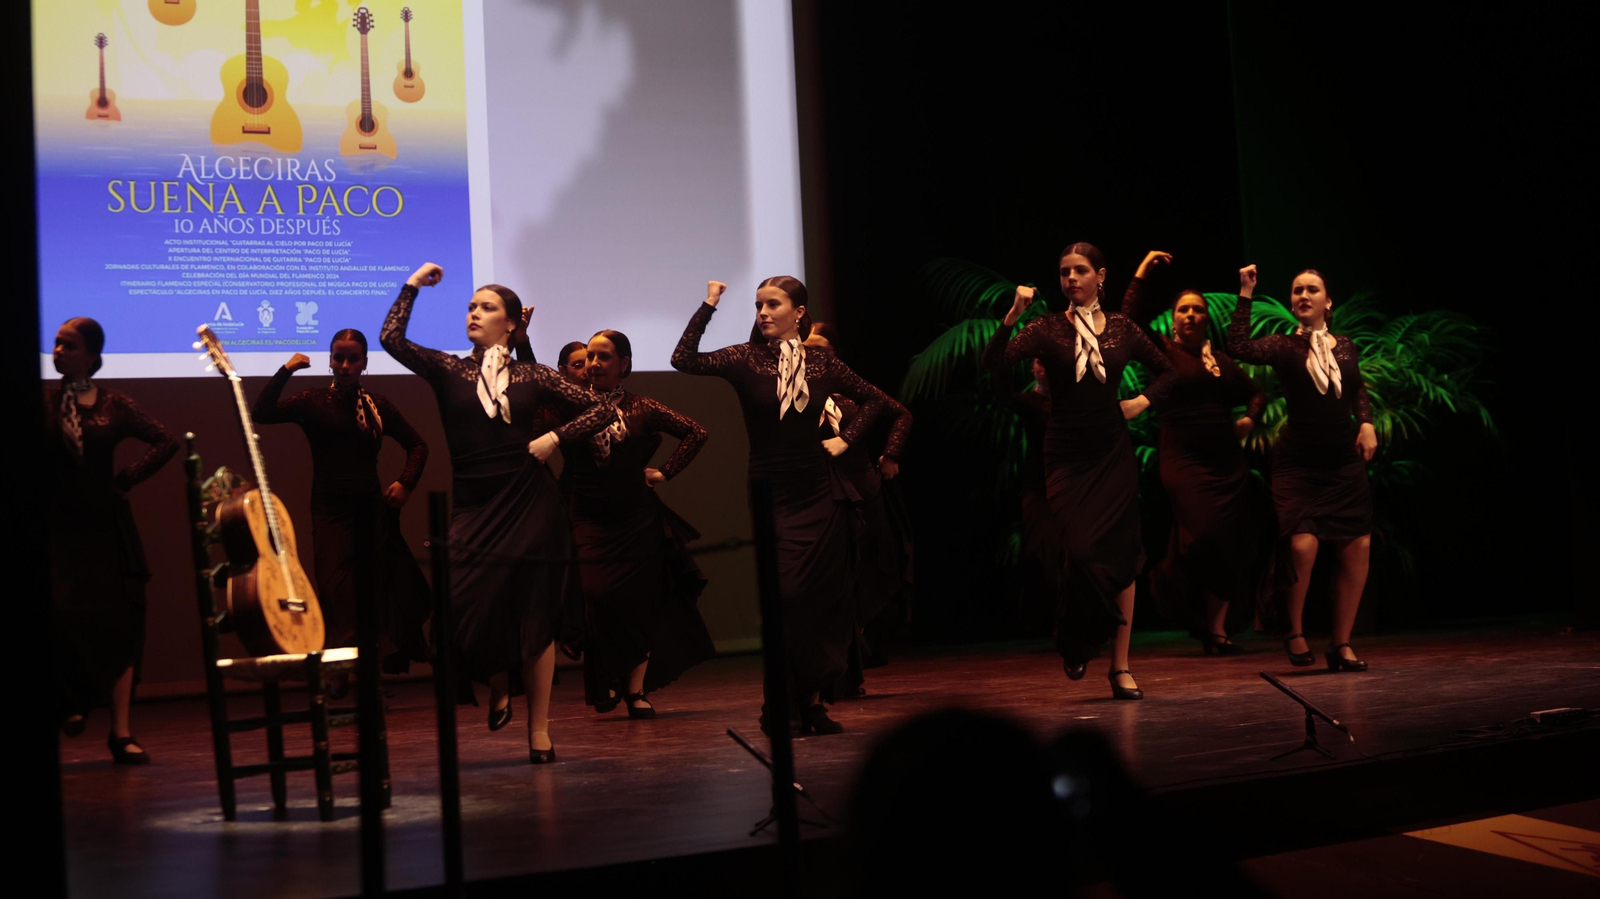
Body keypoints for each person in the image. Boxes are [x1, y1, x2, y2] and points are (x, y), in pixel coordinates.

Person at [380, 262, 610, 763]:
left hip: (530, 499)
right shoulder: (448, 369)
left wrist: (555, 437)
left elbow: (602, 410)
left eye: (486, 307)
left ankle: (540, 730)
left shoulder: (534, 374)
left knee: (536, 611)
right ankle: (499, 680)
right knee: (463, 604)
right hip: (474, 502)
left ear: (510, 323)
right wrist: (412, 286)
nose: (474, 314)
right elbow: (393, 339)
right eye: (470, 307)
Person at [671, 277, 887, 735]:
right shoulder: (744, 359)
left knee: (821, 603)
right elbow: (682, 359)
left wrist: (845, 440)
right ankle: (778, 707)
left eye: (773, 304)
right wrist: (710, 304)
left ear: (799, 312)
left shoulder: (823, 361)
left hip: (820, 492)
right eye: (758, 305)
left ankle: (810, 703)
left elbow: (876, 402)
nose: (763, 312)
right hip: (773, 491)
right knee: (786, 598)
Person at [982, 243, 1175, 699]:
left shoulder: (1124, 328)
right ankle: (1077, 636)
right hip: (1066, 455)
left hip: (1112, 452)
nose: (1071, 278)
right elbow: (994, 366)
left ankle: (1121, 667)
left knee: (1124, 556)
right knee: (1083, 553)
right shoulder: (1046, 328)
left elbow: (1168, 372)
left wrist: (1140, 403)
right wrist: (1012, 314)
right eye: (1065, 271)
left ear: (1100, 276)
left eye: (1080, 271)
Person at [251, 330, 432, 681]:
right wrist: (286, 369)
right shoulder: (313, 401)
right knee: (336, 592)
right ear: (330, 360)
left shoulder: (378, 406)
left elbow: (418, 445)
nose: (345, 365)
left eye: (353, 359)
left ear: (365, 363)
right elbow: (262, 412)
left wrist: (405, 483)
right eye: (338, 358)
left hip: (370, 511)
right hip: (330, 512)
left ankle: (369, 679)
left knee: (373, 595)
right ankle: (340, 665)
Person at [1119, 252, 1272, 655]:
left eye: (1197, 310)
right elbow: (1129, 320)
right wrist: (1143, 272)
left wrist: (1248, 422)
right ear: (1173, 319)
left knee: (1229, 542)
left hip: (1226, 463)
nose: (1190, 315)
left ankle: (1217, 631)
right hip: (1183, 460)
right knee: (1202, 537)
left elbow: (1256, 392)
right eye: (1183, 309)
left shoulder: (1220, 361)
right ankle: (1170, 583)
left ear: (1207, 319)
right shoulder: (1162, 352)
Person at [1228, 265, 1376, 671]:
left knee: (1357, 545)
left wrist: (1366, 422)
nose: (1303, 296)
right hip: (1298, 464)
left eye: (1312, 290)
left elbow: (1357, 387)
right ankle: (1293, 631)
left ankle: (1341, 644)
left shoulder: (1344, 345)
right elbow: (1238, 344)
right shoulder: (1282, 346)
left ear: (1328, 302)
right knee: (1302, 546)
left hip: (1342, 463)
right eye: (1297, 291)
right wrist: (1246, 292)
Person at [47, 317, 179, 763]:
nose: (58, 351)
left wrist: (127, 478)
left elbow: (165, 441)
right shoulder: (42, 401)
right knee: (62, 617)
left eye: (68, 345)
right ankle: (73, 699)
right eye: (56, 344)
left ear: (91, 354)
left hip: (105, 525)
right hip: (58, 527)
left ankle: (121, 732)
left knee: (120, 623)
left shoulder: (113, 404)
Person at [563, 329, 714, 718]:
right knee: (596, 594)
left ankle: (635, 690)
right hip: (589, 514)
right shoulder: (572, 404)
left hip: (636, 518)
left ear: (624, 364)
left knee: (640, 603)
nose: (594, 364)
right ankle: (610, 674)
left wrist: (665, 472)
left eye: (604, 357)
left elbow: (697, 432)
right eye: (590, 357)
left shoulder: (643, 406)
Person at [804, 322, 914, 693]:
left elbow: (901, 413)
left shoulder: (853, 391)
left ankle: (853, 665)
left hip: (864, 494)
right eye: (809, 348)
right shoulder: (799, 393)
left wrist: (891, 455)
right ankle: (839, 670)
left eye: (822, 349)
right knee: (830, 583)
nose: (815, 355)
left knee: (862, 580)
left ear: (835, 355)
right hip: (822, 495)